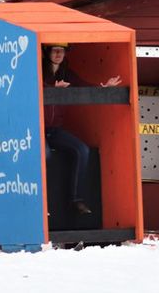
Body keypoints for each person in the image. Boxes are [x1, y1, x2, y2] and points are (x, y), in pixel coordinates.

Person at [42, 43, 121, 215]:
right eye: (55, 50)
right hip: (36, 129)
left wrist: (104, 88)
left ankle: (75, 200)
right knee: (45, 155)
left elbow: (84, 86)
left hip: (54, 129)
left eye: (61, 51)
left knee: (82, 150)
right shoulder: (37, 71)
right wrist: (52, 90)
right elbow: (30, 90)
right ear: (47, 52)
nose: (58, 54)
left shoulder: (67, 74)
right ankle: (41, 204)